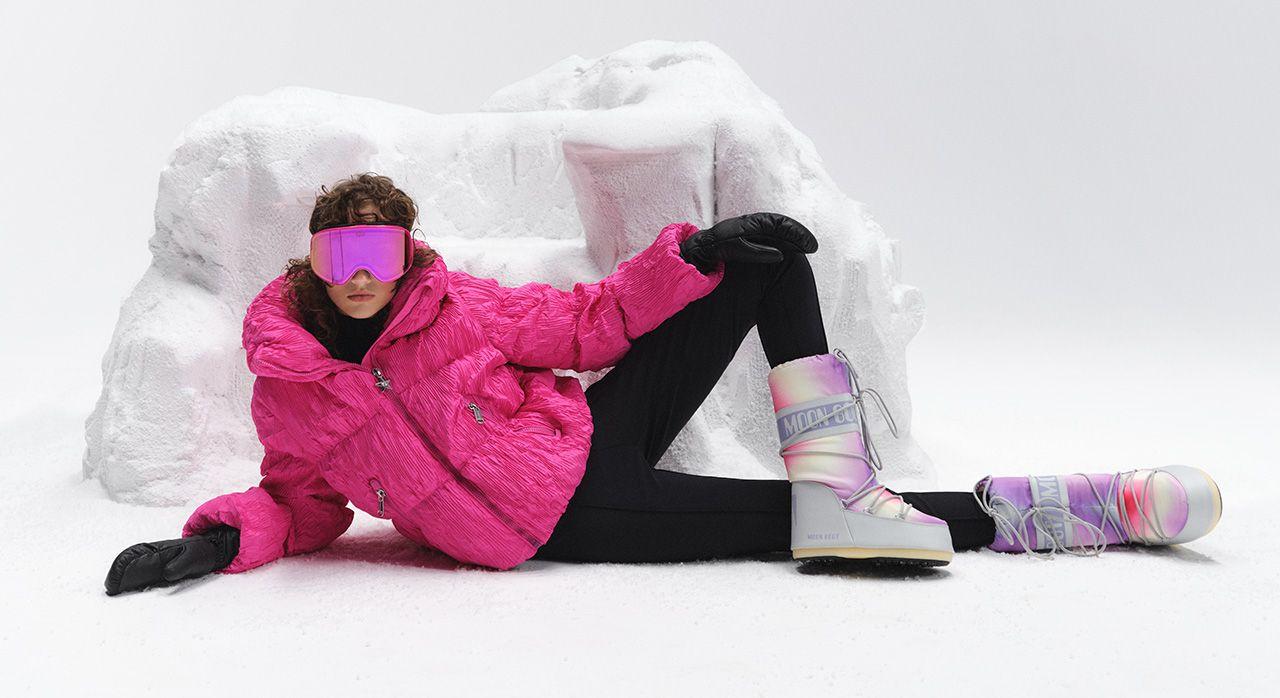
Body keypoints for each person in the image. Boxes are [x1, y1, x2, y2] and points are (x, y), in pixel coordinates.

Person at [104, 173, 1223, 595]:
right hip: (572, 518)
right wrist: (217, 538)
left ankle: (839, 483)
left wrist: (692, 255)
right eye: (341, 260)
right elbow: (300, 500)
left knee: (764, 260)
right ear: (311, 261)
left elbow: (588, 323)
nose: (362, 279)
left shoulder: (460, 306)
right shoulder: (290, 388)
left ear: (405, 255)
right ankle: (1082, 508)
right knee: (784, 527)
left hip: (585, 432)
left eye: (380, 257)